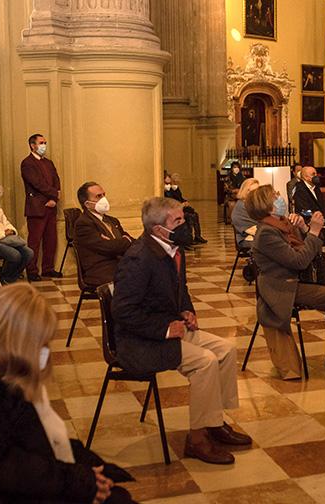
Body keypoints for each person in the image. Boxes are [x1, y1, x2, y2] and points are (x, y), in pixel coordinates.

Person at [0, 284, 135, 503]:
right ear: (12, 339)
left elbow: (33, 435)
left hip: (29, 480)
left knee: (117, 496)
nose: (44, 353)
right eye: (39, 344)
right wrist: (75, 480)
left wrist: (87, 465)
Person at [112, 197, 250, 465]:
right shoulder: (139, 258)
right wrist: (165, 328)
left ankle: (213, 422)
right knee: (205, 362)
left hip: (168, 328)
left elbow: (180, 289)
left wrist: (187, 310)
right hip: (140, 342)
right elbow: (123, 311)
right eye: (177, 221)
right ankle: (197, 440)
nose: (184, 225)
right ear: (158, 229)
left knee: (225, 350)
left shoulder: (174, 249)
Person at [248, 184, 325, 377]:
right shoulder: (266, 233)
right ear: (267, 206)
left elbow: (306, 251)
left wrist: (303, 229)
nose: (280, 197)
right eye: (275, 195)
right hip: (282, 287)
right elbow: (299, 261)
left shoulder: (282, 224)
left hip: (296, 280)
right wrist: (313, 232)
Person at [73, 182, 134, 288]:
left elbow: (131, 241)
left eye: (103, 195)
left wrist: (123, 241)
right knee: (140, 278)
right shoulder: (84, 223)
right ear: (87, 204)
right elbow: (108, 247)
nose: (103, 199)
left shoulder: (112, 220)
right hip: (101, 270)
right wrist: (125, 241)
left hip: (119, 263)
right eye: (98, 196)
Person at [21, 133, 62, 281]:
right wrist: (54, 194)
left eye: (45, 142)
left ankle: (48, 269)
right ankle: (32, 271)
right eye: (41, 142)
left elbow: (56, 180)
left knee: (51, 240)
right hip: (37, 208)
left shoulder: (48, 163)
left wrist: (54, 198)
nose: (44, 145)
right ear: (33, 145)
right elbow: (36, 183)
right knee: (34, 241)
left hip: (51, 206)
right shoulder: (27, 163)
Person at [164, 172, 206, 244]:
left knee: (195, 214)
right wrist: (181, 204)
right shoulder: (166, 190)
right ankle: (188, 239)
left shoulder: (174, 188)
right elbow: (171, 201)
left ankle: (197, 236)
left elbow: (180, 198)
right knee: (189, 216)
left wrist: (185, 202)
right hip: (174, 210)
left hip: (180, 208)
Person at [230, 177, 260, 245]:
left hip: (258, 235)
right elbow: (251, 229)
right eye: (252, 191)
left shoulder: (254, 203)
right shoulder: (241, 207)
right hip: (246, 239)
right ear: (245, 191)